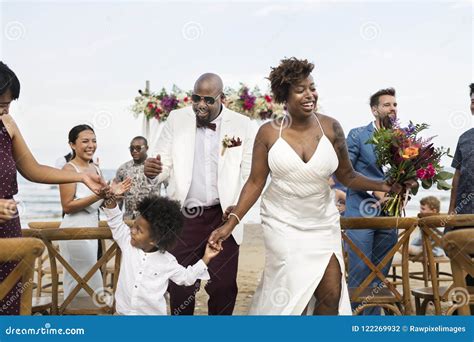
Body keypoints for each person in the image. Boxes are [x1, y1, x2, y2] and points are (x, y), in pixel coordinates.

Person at [208, 58, 410, 315]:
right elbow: (256, 182)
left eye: (312, 87)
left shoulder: (331, 127)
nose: (310, 94)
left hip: (322, 220)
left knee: (331, 291)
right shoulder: (268, 133)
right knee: (292, 292)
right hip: (281, 221)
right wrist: (231, 223)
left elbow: (348, 176)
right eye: (300, 89)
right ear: (285, 95)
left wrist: (386, 185)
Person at [144, 73, 258, 315]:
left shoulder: (242, 124)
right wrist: (154, 171)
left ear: (222, 98)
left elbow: (250, 175)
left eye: (208, 100)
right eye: (196, 98)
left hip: (224, 216)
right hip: (184, 217)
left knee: (224, 286)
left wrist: (237, 209)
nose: (200, 105)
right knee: (180, 287)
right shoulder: (176, 119)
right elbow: (162, 164)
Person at [0, 61, 105, 315]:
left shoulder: (8, 123)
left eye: (8, 104)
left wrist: (79, 178)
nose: (4, 110)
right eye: (0, 103)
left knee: (11, 300)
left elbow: (33, 169)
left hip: (7, 225)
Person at [102, 193, 220, 315]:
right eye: (134, 226)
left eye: (139, 230)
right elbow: (115, 220)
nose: (132, 231)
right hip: (122, 314)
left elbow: (187, 278)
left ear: (154, 240)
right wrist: (109, 198)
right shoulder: (127, 242)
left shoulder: (167, 261)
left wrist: (206, 258)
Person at [58, 124, 130, 300]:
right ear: (72, 145)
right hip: (74, 231)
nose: (91, 145)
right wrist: (99, 194)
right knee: (82, 278)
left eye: (94, 140)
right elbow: (67, 205)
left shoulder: (95, 168)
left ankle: (89, 316)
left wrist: (114, 193)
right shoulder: (68, 170)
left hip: (92, 228)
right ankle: (78, 315)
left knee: (92, 275)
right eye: (85, 141)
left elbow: (104, 200)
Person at [344, 87, 399, 315]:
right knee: (360, 271)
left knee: (379, 272)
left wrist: (405, 189)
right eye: (387, 105)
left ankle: (372, 322)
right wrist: (377, 191)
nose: (392, 109)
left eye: (395, 105)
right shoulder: (357, 135)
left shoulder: (401, 139)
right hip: (360, 213)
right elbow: (346, 174)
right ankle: (354, 321)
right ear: (374, 110)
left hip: (389, 217)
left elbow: (407, 174)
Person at [446, 83, 474, 288]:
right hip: (464, 214)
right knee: (463, 266)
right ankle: (464, 312)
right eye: (473, 101)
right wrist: (450, 211)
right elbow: (457, 177)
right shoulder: (464, 138)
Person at [115, 136, 162, 220]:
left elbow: (170, 189)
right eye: (131, 148)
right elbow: (119, 198)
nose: (134, 151)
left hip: (151, 219)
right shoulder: (122, 169)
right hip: (128, 219)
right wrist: (115, 220)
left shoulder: (154, 167)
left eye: (138, 148)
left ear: (146, 148)